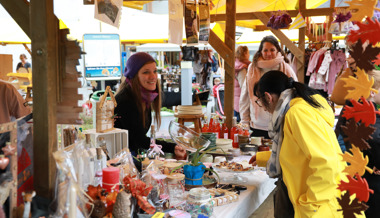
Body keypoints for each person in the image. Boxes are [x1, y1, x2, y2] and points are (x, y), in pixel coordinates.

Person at [252, 70, 346, 218]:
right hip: (323, 202)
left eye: (259, 101)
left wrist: (309, 205)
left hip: (322, 208)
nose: (262, 107)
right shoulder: (300, 108)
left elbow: (327, 163)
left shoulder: (297, 113)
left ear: (268, 97)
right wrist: (264, 157)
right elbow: (299, 153)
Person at [114, 52, 186, 163]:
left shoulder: (143, 98)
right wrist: (172, 147)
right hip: (121, 162)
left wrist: (174, 147)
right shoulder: (125, 101)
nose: (153, 76)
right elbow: (140, 141)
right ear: (134, 76)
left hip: (131, 158)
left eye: (155, 71)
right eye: (146, 72)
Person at [335, 70, 380, 218]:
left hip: (353, 175)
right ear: (372, 92)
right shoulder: (370, 116)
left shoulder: (350, 109)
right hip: (370, 181)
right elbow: (375, 142)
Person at [239, 35, 298, 138]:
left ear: (277, 50)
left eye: (272, 50)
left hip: (280, 124)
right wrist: (245, 121)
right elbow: (245, 97)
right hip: (257, 125)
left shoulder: (286, 68)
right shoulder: (252, 69)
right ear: (260, 51)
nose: (269, 53)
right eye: (265, 50)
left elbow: (295, 94)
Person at [234, 45, 251, 122]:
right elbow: (244, 86)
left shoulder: (237, 65)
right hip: (241, 102)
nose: (249, 55)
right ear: (244, 53)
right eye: (248, 52)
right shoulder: (242, 68)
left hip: (237, 100)